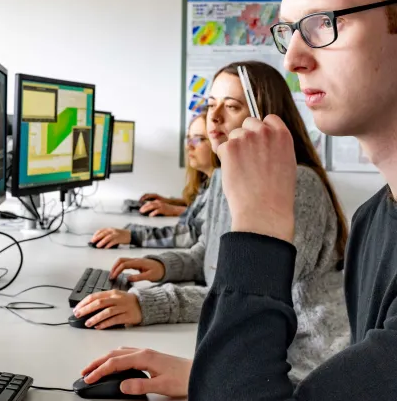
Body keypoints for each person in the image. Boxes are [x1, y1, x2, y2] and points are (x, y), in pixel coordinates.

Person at [81, 0, 397, 400]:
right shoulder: (376, 220)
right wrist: (221, 376)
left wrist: (259, 225)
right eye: (289, 31)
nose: (294, 58)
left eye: (322, 23)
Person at [76, 61, 350, 391]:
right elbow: (209, 252)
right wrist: (161, 266)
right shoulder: (224, 175)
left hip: (301, 362)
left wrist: (147, 304)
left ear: (265, 116)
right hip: (252, 343)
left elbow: (255, 288)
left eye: (231, 106)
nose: (214, 117)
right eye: (210, 105)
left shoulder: (297, 184)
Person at [90, 111, 216, 249]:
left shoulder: (223, 189)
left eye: (199, 139)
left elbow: (193, 234)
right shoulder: (209, 183)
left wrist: (133, 235)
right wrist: (172, 203)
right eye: (189, 139)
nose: (189, 146)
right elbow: (196, 218)